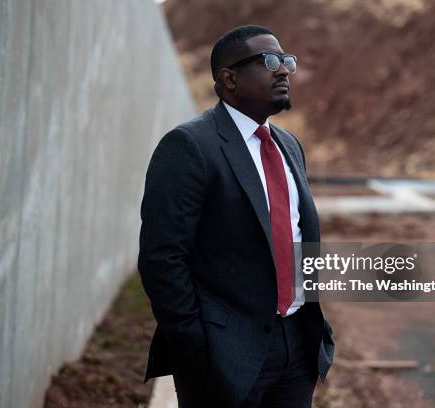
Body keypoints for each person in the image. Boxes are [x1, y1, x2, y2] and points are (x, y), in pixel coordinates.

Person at [138, 25, 335, 407]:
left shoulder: (288, 145)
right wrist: (194, 341)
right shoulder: (190, 146)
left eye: (286, 61)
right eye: (270, 61)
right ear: (229, 78)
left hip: (296, 346)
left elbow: (298, 235)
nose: (284, 71)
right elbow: (162, 256)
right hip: (224, 353)